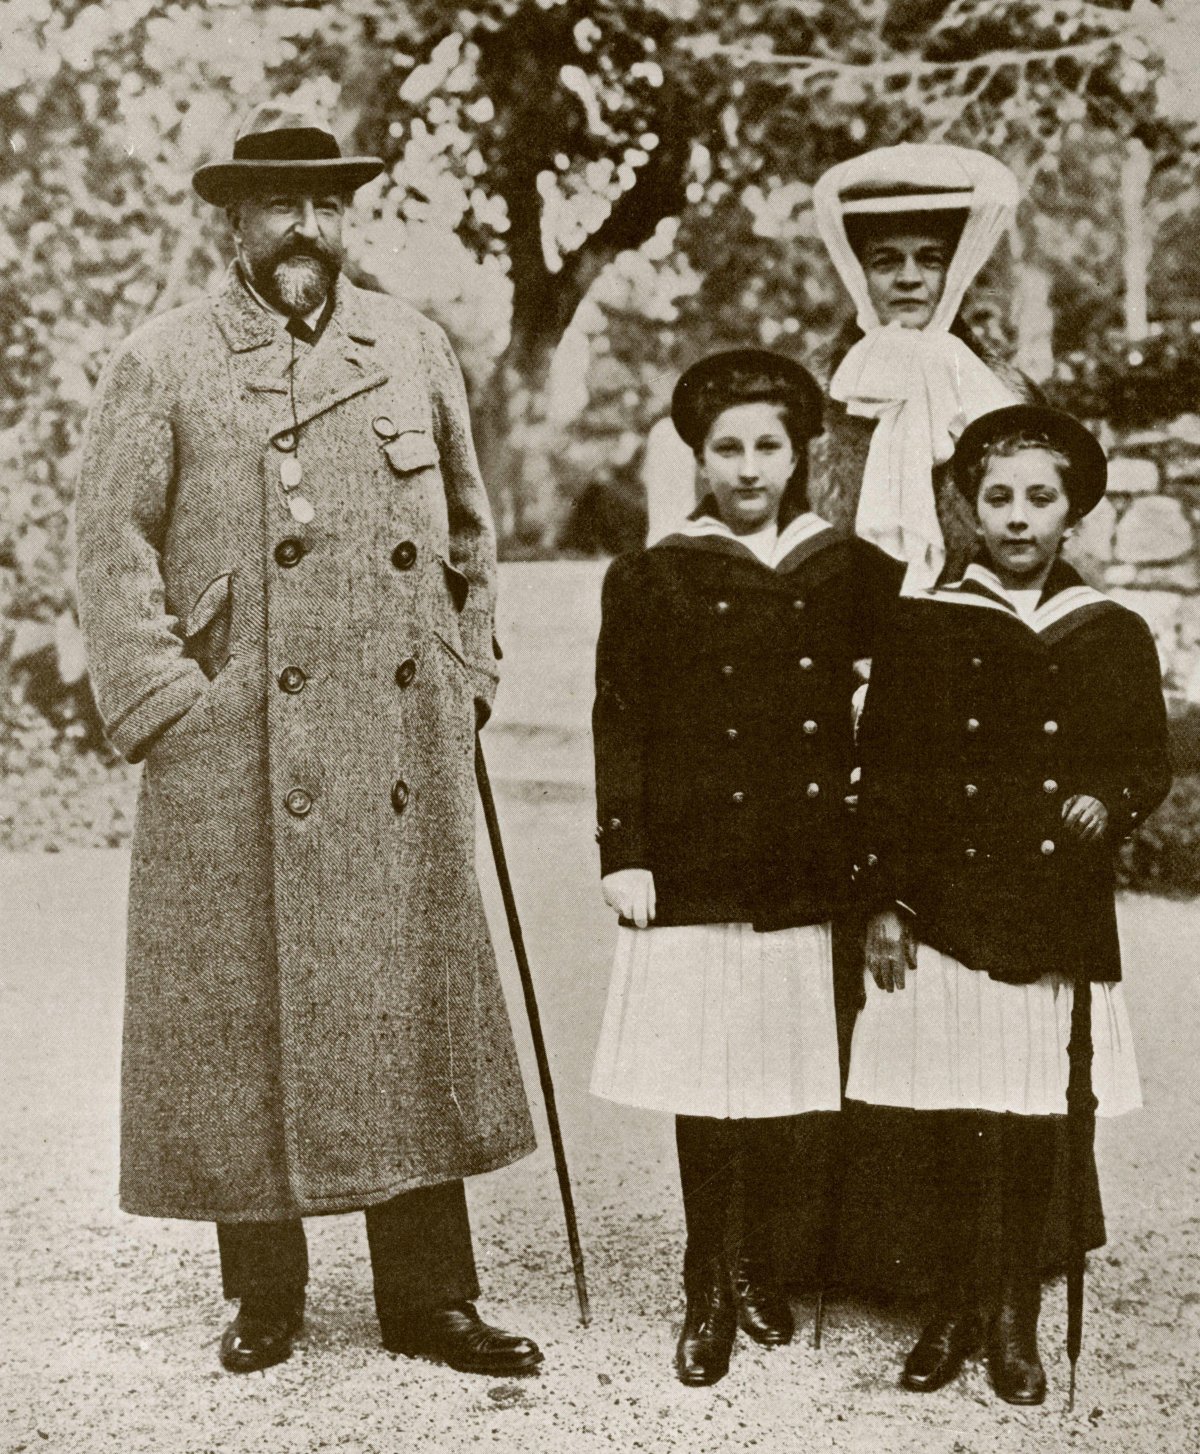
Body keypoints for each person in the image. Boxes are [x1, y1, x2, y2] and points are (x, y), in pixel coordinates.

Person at [73, 102, 543, 1378]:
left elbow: (468, 528)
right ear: (234, 222)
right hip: (237, 742)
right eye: (281, 204)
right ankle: (266, 1293)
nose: (307, 228)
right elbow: (110, 547)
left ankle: (432, 1299)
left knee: (407, 1005)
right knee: (243, 1011)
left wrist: (466, 671)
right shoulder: (164, 360)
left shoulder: (412, 344)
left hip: (395, 736)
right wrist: (170, 702)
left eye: (328, 204)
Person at [589, 349, 903, 1386]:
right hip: (695, 857)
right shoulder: (654, 574)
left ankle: (763, 1264)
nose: (750, 466)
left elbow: (903, 711)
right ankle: (708, 1281)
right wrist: (626, 851)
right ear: (700, 457)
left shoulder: (850, 569)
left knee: (783, 1075)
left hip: (802, 857)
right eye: (728, 447)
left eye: (769, 444)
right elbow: (622, 717)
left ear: (801, 452)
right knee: (705, 1074)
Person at [850, 405, 1172, 1403]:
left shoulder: (1111, 630)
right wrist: (884, 900)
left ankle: (1015, 1311)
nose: (1019, 516)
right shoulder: (926, 621)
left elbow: (1146, 758)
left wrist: (1109, 799)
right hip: (947, 908)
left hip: (1051, 909)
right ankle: (951, 1303)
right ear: (970, 509)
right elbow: (884, 771)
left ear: (1073, 510)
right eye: (998, 497)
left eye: (1040, 497)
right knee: (954, 1113)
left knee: (1034, 1115)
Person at [809, 143, 1035, 590]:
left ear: (953, 271)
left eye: (930, 260)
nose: (909, 278)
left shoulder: (1004, 394)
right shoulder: (814, 392)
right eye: (886, 261)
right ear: (859, 273)